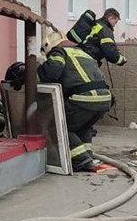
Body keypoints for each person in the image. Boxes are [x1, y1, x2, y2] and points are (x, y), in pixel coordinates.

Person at [37, 30, 113, 172]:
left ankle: (81, 160)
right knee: (83, 127)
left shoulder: (59, 52)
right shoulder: (83, 53)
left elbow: (51, 73)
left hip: (84, 98)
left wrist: (33, 72)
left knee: (59, 126)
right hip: (104, 99)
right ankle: (87, 156)